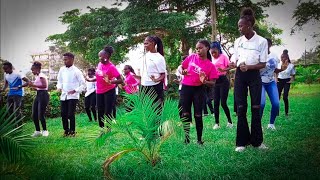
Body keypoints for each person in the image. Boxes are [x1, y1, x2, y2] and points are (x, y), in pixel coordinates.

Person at [231, 8, 268, 152]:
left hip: (254, 76)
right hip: (240, 75)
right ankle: (242, 142)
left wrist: (250, 67)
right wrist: (233, 63)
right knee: (241, 108)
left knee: (255, 107)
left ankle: (258, 142)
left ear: (249, 25)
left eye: (241, 26)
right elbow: (235, 57)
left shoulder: (261, 41)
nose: (239, 28)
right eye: (238, 26)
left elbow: (263, 64)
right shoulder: (237, 41)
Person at [180, 39, 219, 145]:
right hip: (186, 88)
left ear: (207, 48)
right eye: (197, 48)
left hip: (199, 90)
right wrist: (182, 71)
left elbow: (213, 83)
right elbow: (182, 67)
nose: (198, 50)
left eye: (200, 48)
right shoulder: (191, 57)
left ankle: (199, 139)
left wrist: (205, 81)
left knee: (198, 115)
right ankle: (186, 138)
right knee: (186, 113)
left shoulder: (210, 65)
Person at [260, 38, 288, 130]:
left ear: (270, 45)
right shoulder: (258, 56)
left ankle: (271, 124)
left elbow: (275, 70)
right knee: (261, 104)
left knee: (276, 104)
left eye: (267, 44)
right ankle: (258, 124)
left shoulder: (274, 56)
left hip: (271, 82)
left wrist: (282, 69)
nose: (265, 46)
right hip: (260, 82)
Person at [57, 52, 86, 137]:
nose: (64, 61)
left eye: (66, 59)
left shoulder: (77, 71)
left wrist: (75, 90)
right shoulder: (62, 69)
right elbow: (59, 80)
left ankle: (72, 131)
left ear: (72, 59)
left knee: (70, 114)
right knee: (63, 114)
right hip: (64, 95)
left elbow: (83, 84)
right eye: (64, 59)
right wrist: (59, 87)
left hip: (73, 96)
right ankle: (66, 130)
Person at [95, 46, 123, 128]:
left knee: (107, 111)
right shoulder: (100, 64)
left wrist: (110, 81)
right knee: (100, 110)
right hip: (99, 90)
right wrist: (91, 79)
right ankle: (102, 128)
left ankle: (108, 128)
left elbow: (121, 80)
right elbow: (99, 76)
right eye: (99, 56)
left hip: (109, 91)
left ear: (107, 56)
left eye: (101, 56)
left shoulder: (111, 67)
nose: (99, 58)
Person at [136, 35, 167, 106]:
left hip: (155, 87)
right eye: (144, 43)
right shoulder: (145, 56)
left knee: (156, 109)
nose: (144, 45)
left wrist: (156, 80)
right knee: (144, 110)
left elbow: (163, 74)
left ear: (153, 43)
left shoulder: (159, 57)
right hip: (143, 87)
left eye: (146, 43)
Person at [210, 41, 233, 129]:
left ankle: (230, 122)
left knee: (223, 103)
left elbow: (230, 66)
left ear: (219, 50)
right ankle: (217, 123)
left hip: (223, 81)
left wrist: (223, 69)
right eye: (212, 53)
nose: (213, 54)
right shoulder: (212, 59)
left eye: (215, 52)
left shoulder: (223, 57)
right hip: (216, 82)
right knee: (215, 103)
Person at [28, 61, 50, 137]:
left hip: (43, 95)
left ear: (37, 69)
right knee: (34, 114)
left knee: (41, 114)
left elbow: (44, 85)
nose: (32, 72)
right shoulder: (37, 76)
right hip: (38, 94)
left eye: (33, 70)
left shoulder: (41, 75)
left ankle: (45, 130)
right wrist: (32, 86)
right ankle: (38, 131)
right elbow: (38, 87)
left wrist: (33, 85)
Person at [276, 49, 295, 116]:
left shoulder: (291, 65)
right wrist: (276, 79)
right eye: (281, 57)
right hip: (279, 81)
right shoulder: (278, 64)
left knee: (285, 97)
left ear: (287, 58)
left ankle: (286, 113)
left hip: (287, 81)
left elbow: (293, 74)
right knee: (277, 97)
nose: (282, 58)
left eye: (283, 57)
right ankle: (276, 112)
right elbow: (275, 72)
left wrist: (291, 80)